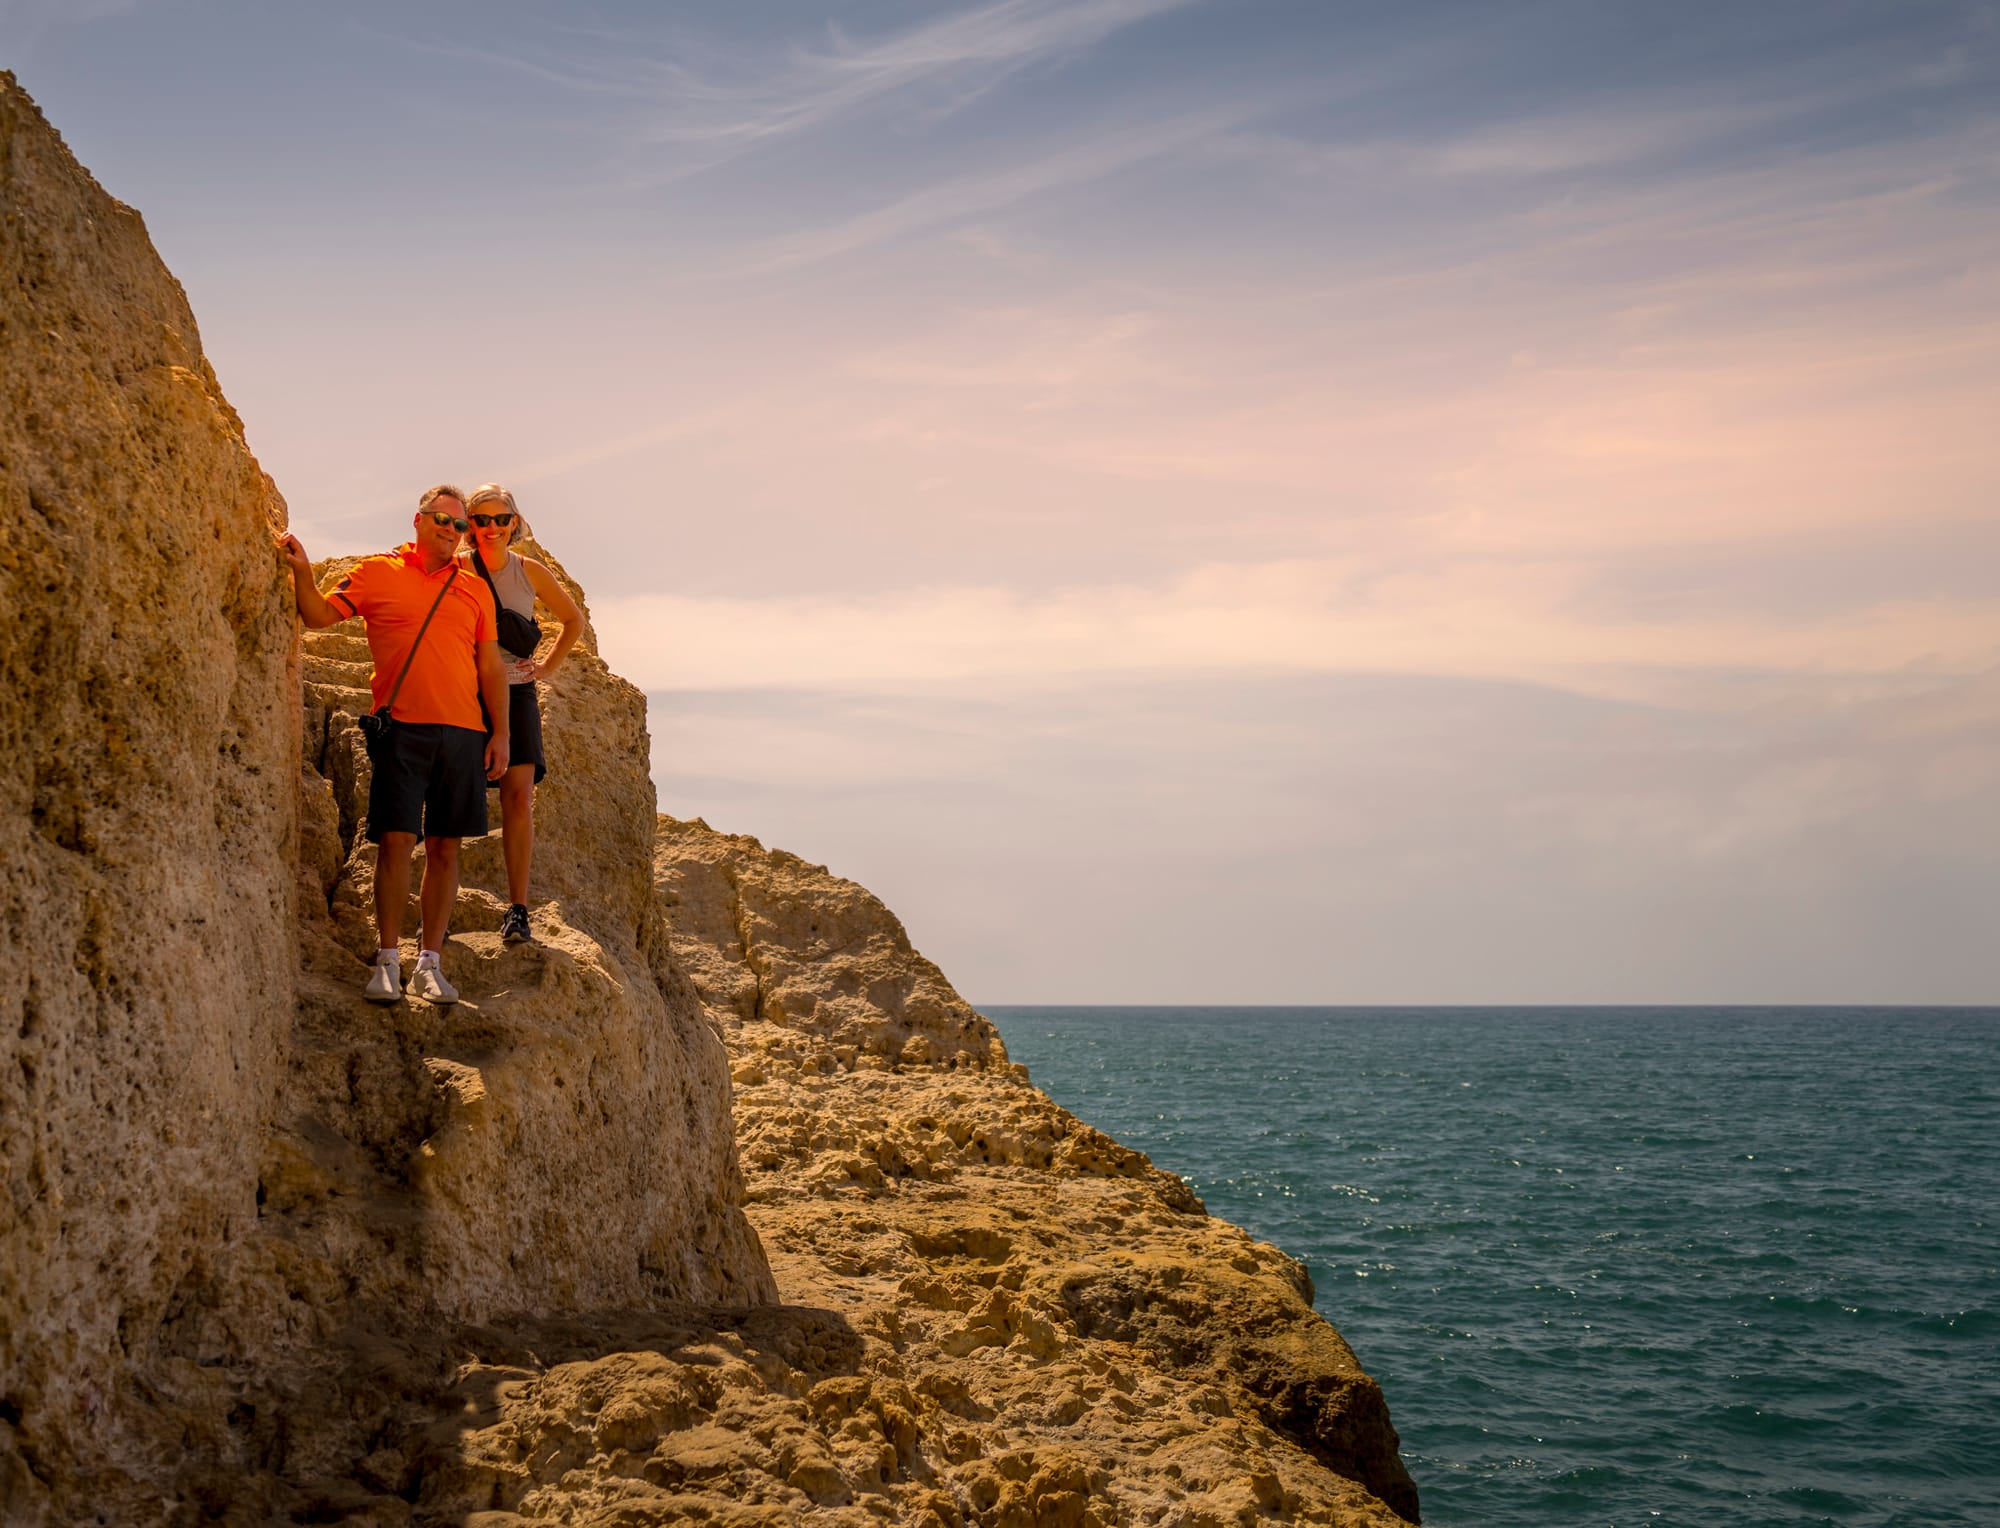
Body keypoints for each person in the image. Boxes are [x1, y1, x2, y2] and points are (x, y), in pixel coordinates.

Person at [276, 485, 508, 1005]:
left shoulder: (475, 590)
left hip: (466, 734)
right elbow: (317, 616)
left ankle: (430, 962)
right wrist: (303, 573)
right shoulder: (379, 572)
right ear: (419, 520)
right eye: (443, 522)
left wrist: (502, 732)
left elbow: (490, 665)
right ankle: (386, 960)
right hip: (402, 727)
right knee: (397, 842)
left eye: (461, 527)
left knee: (447, 849)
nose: (454, 533)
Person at [457, 483, 583, 944]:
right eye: (481, 519)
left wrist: (546, 666)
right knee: (451, 798)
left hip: (517, 693)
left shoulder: (529, 571)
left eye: (500, 519)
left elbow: (573, 621)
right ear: (470, 525)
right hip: (463, 694)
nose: (491, 528)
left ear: (514, 523)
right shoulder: (455, 569)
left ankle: (517, 910)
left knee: (517, 801)